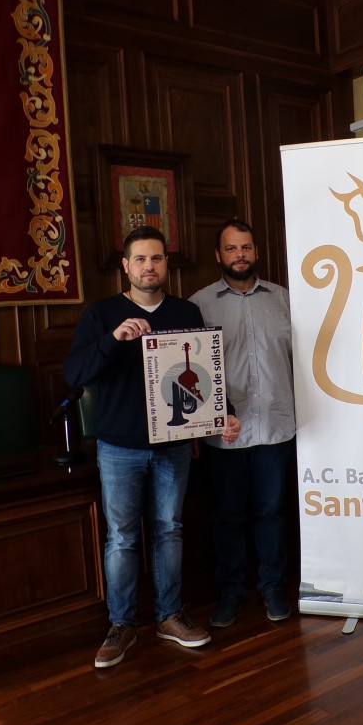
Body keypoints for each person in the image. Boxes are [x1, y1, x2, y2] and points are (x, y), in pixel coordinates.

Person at [65, 224, 241, 668]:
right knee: (122, 538)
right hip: (119, 447)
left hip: (174, 446)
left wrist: (224, 414)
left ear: (166, 263)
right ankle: (121, 625)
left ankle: (168, 616)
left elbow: (203, 373)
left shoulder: (185, 312)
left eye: (157, 258)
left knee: (169, 530)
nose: (149, 266)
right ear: (126, 266)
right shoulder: (102, 314)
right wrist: (113, 340)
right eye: (140, 259)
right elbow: (75, 374)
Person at [190, 219, 295, 627]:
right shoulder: (198, 305)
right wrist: (203, 427)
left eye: (246, 247)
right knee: (228, 516)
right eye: (232, 249)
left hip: (275, 427)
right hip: (224, 433)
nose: (240, 255)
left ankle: (272, 588)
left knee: (272, 512)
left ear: (255, 251)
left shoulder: (285, 300)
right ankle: (230, 593)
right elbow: (192, 371)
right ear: (219, 255)